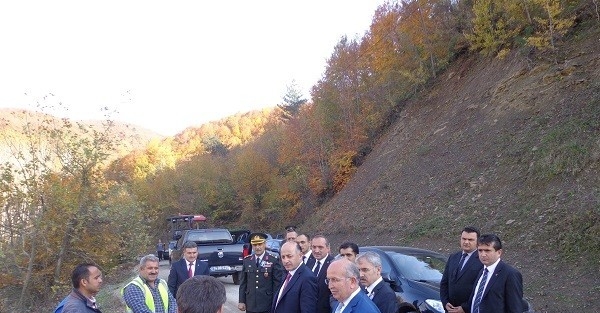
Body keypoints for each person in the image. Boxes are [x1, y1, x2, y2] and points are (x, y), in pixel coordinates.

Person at [463, 234, 524, 313]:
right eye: (480, 250)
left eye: (487, 250)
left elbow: (515, 308)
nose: (483, 254)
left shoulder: (510, 274)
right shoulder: (482, 271)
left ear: (499, 252)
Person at [440, 226, 483, 313]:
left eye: (470, 240)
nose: (466, 242)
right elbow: (444, 282)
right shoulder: (453, 257)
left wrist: (465, 308)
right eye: (464, 239)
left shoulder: (482, 260)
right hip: (450, 309)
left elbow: (481, 290)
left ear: (478, 242)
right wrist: (445, 302)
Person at [238, 232, 284, 313]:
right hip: (251, 303)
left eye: (260, 244)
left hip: (267, 303)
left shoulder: (273, 260)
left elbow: (277, 283)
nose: (257, 247)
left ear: (265, 244)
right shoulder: (247, 260)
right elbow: (243, 283)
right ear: (252, 246)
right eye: (255, 245)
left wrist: (276, 302)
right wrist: (241, 301)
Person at [271, 241, 317, 313]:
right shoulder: (287, 273)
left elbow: (307, 310)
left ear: (300, 255)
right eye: (283, 257)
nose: (286, 260)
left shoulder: (307, 278)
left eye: (289, 256)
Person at [305, 234, 334, 313]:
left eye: (320, 247)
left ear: (328, 248)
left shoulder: (333, 265)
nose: (316, 250)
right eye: (314, 247)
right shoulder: (309, 263)